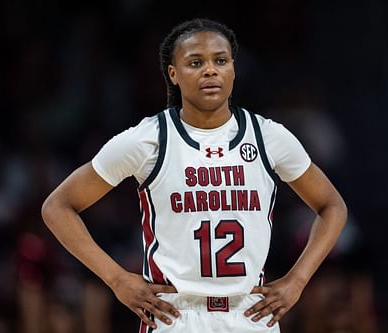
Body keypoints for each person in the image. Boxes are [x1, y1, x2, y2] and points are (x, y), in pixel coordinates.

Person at [41, 18, 347, 333]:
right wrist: (117, 279)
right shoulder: (148, 138)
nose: (210, 70)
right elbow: (58, 207)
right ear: (173, 74)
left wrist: (297, 280)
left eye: (220, 60)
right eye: (195, 62)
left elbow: (332, 206)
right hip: (176, 315)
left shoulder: (268, 137)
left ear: (233, 69)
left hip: (249, 313)